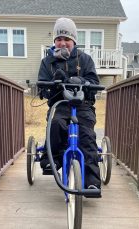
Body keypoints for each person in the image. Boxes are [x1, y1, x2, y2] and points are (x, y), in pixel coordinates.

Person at [37, 17, 101, 192]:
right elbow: (42, 87)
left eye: (67, 39)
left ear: (74, 41)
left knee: (87, 135)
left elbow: (93, 81)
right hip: (60, 104)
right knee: (56, 124)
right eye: (59, 39)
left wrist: (80, 80)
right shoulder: (47, 62)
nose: (63, 43)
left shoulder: (85, 59)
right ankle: (52, 160)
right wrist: (52, 83)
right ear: (54, 41)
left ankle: (92, 181)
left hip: (83, 105)